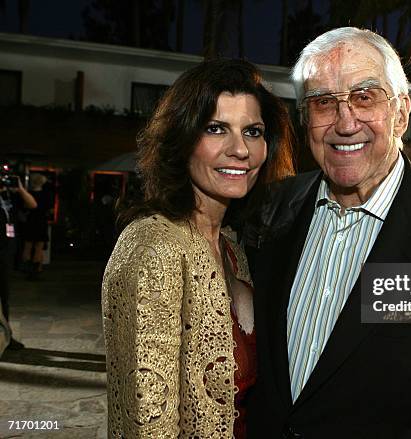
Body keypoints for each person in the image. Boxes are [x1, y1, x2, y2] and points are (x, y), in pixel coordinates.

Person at [245, 27, 411, 438]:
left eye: (364, 96)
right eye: (322, 103)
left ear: (401, 113)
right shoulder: (271, 207)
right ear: (305, 120)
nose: (345, 122)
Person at [101, 59, 294, 438]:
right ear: (183, 138)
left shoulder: (233, 250)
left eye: (253, 131)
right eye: (216, 128)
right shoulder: (154, 248)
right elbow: (147, 421)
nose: (240, 150)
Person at [0, 174, 37, 350]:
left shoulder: (10, 195)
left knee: (4, 297)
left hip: (6, 252)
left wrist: (20, 189)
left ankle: (6, 337)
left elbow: (33, 205)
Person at [21, 173, 53, 279]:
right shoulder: (46, 194)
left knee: (28, 246)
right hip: (40, 221)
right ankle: (35, 270)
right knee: (39, 247)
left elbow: (24, 208)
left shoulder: (28, 194)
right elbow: (48, 209)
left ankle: (27, 269)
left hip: (31, 221)